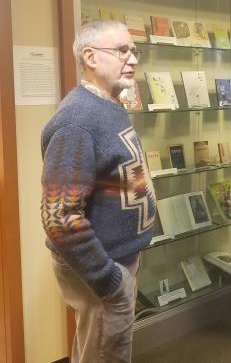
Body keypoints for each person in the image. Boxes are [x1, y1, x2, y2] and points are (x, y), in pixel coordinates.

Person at [40, 21, 157, 363]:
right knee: (105, 355)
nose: (133, 59)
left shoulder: (108, 105)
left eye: (133, 51)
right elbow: (59, 216)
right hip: (103, 266)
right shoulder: (76, 121)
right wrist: (109, 279)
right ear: (90, 57)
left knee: (96, 348)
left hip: (117, 258)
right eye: (122, 50)